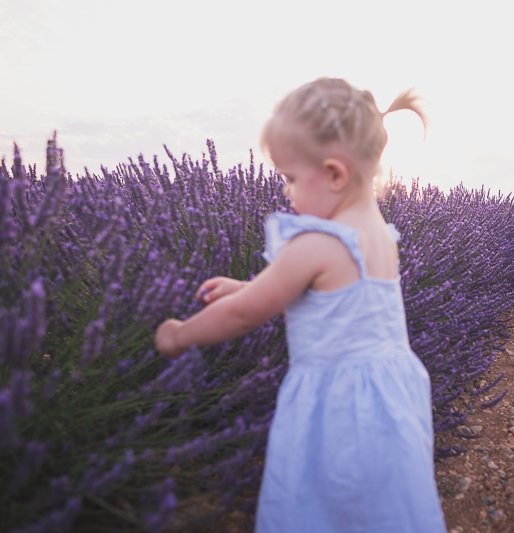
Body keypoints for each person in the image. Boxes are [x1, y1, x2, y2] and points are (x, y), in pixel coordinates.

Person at [155, 77, 447, 533]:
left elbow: (247, 311)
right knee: (382, 508)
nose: (286, 192)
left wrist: (180, 334)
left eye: (290, 178)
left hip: (336, 408)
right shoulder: (377, 234)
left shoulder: (318, 242)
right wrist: (242, 285)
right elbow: (314, 293)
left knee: (323, 508)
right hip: (392, 399)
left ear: (334, 173)